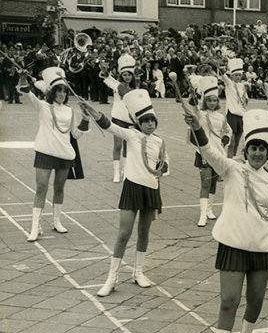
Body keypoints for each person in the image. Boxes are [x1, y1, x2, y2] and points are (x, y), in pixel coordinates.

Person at [183, 108, 268, 333]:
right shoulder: (231, 169)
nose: (257, 153)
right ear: (246, 148)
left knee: (255, 300)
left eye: (262, 149)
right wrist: (197, 127)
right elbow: (209, 152)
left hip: (261, 249)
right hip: (233, 245)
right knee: (229, 301)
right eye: (253, 148)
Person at [80, 90, 169, 297]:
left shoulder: (160, 142)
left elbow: (164, 166)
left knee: (144, 231)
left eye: (152, 121)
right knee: (123, 233)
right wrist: (92, 111)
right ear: (138, 123)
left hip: (151, 189)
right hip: (132, 187)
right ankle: (112, 278)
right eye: (145, 121)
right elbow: (108, 125)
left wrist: (162, 169)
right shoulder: (132, 135)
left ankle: (138, 272)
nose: (149, 124)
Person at [19, 67, 90, 242]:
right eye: (59, 91)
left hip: (64, 154)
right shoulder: (43, 106)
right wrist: (22, 77)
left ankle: (56, 221)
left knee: (59, 188)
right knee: (41, 187)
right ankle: (35, 227)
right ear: (52, 92)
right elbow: (27, 92)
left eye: (64, 91)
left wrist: (86, 118)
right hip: (45, 151)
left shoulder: (69, 111)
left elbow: (75, 134)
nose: (62, 94)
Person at [194, 76, 231, 227]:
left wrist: (226, 139)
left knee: (214, 181)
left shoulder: (221, 117)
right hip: (203, 152)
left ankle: (209, 209)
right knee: (205, 182)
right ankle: (202, 214)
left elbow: (228, 131)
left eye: (214, 100)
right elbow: (193, 110)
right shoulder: (201, 114)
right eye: (209, 100)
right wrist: (193, 95)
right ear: (204, 101)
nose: (212, 103)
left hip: (218, 153)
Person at [104, 54, 138, 183]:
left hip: (130, 120)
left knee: (127, 146)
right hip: (118, 117)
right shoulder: (116, 85)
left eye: (129, 74)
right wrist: (104, 69)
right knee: (117, 145)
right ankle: (116, 172)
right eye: (124, 75)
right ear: (121, 75)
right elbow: (106, 76)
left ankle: (125, 171)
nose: (127, 77)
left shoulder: (135, 87)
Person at [223, 57, 248, 157]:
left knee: (237, 140)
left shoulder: (242, 86)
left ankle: (233, 157)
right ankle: (228, 158)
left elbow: (245, 99)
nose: (238, 77)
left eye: (239, 75)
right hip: (232, 113)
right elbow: (223, 76)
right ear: (232, 76)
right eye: (236, 75)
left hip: (241, 114)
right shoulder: (229, 84)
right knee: (231, 141)